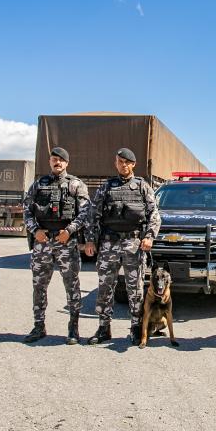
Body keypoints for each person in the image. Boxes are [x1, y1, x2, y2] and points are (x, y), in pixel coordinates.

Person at [84, 148, 161, 345]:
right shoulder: (106, 187)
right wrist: (90, 240)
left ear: (133, 164)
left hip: (133, 244)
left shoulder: (143, 187)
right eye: (120, 162)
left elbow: (154, 215)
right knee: (105, 287)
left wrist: (149, 237)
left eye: (127, 162)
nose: (123, 165)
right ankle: (103, 328)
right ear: (115, 163)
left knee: (134, 289)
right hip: (109, 243)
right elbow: (94, 215)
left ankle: (136, 328)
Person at [22, 147, 92, 344]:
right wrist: (35, 230)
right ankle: (38, 326)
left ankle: (73, 328)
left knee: (72, 285)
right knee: (39, 286)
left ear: (67, 163)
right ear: (50, 161)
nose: (57, 163)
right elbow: (27, 209)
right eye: (54, 159)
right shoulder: (38, 185)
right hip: (42, 242)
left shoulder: (76, 185)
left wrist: (69, 231)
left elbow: (85, 212)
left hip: (66, 242)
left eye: (61, 160)